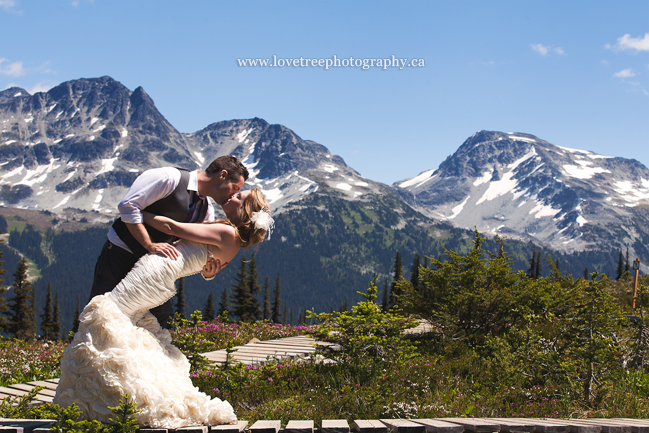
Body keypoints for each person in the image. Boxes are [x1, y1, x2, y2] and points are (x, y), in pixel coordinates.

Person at [54, 188, 272, 428]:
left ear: (245, 211)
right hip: (162, 276)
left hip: (156, 271)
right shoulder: (235, 242)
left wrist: (137, 213)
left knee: (107, 315)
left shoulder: (226, 230)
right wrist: (208, 275)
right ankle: (118, 394)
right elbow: (207, 268)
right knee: (119, 322)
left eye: (239, 198)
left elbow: (172, 228)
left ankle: (120, 397)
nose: (232, 196)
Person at [89, 155, 249, 328]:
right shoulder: (168, 178)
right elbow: (128, 206)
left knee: (158, 322)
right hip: (120, 256)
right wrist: (148, 244)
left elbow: (193, 249)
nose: (232, 195)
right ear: (222, 175)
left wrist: (207, 273)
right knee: (101, 317)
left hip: (152, 270)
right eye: (234, 188)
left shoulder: (207, 211)